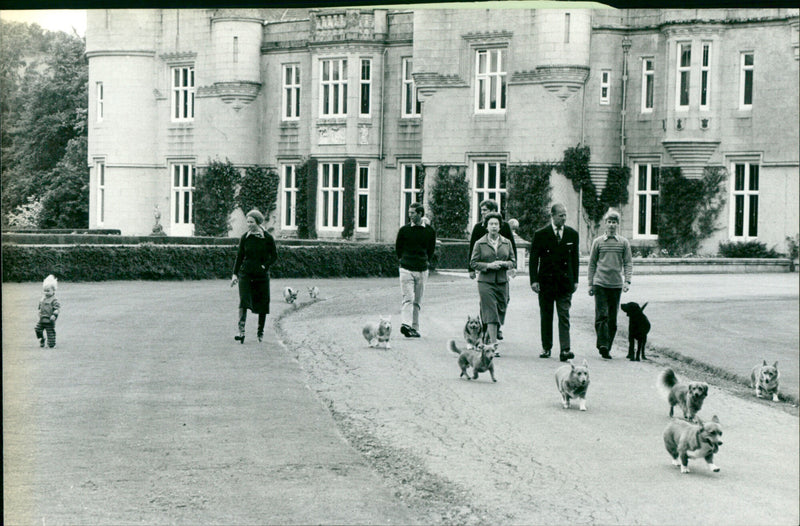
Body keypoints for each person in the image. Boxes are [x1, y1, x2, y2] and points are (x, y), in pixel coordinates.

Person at [530, 203, 579, 362]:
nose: (564, 218)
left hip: (565, 283)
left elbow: (575, 260)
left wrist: (576, 280)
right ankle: (547, 347)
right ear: (553, 215)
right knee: (546, 316)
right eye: (561, 215)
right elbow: (533, 260)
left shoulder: (572, 234)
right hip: (546, 282)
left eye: (565, 215)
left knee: (564, 315)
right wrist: (534, 280)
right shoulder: (541, 234)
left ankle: (565, 349)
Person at [468, 199, 517, 340]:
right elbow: (473, 259)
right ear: (487, 226)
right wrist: (487, 266)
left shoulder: (506, 240)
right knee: (490, 310)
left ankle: (489, 333)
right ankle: (492, 342)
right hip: (486, 281)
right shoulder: (479, 238)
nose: (494, 226)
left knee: (502, 307)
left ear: (500, 226)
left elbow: (512, 259)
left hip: (502, 280)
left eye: (496, 224)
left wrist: (506, 265)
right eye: (491, 224)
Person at [587, 208, 633, 359]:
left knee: (612, 319)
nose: (612, 225)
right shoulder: (598, 242)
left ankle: (607, 346)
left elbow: (628, 263)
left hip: (616, 285)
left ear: (617, 225)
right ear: (605, 224)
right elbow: (592, 264)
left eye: (614, 222)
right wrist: (590, 283)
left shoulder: (623, 243)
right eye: (609, 222)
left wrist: (627, 281)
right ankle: (603, 344)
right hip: (600, 283)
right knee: (602, 316)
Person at [231, 209, 278, 343]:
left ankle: (260, 332)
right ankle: (241, 331)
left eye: (251, 222)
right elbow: (239, 256)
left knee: (263, 303)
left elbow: (274, 256)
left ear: (258, 222)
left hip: (261, 276)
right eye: (247, 221)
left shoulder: (267, 238)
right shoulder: (245, 237)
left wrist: (264, 266)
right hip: (245, 274)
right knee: (244, 300)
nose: (248, 224)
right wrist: (235, 274)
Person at [395, 202, 436, 338]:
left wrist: (424, 261)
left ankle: (414, 327)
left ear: (420, 214)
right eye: (409, 212)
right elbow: (398, 249)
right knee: (408, 298)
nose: (410, 215)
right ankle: (405, 325)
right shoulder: (404, 230)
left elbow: (431, 249)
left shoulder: (429, 231)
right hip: (406, 269)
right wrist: (404, 260)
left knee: (417, 300)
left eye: (412, 213)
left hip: (422, 269)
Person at [35, 274, 61, 348]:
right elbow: (40, 307)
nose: (46, 293)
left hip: (49, 320)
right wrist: (39, 312)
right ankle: (42, 339)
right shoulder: (42, 299)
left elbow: (57, 308)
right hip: (42, 319)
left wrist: (54, 315)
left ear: (53, 291)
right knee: (37, 329)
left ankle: (51, 344)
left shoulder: (54, 300)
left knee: (50, 334)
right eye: (44, 291)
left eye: (48, 291)